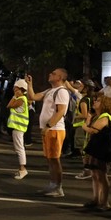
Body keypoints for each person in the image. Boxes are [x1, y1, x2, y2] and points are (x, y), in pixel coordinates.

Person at [25, 68, 69, 197]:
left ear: (60, 77)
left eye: (54, 74)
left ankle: (58, 187)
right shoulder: (50, 90)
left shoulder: (61, 92)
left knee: (55, 159)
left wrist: (49, 125)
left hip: (55, 129)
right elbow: (32, 97)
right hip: (49, 129)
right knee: (50, 159)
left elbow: (60, 111)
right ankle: (52, 184)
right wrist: (29, 85)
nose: (50, 74)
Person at [81, 95, 111, 212]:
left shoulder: (105, 117)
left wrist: (85, 125)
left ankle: (105, 202)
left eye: (98, 101)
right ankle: (96, 199)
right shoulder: (97, 116)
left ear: (104, 104)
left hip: (103, 150)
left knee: (102, 175)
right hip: (96, 149)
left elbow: (93, 130)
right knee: (95, 175)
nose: (95, 102)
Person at [6, 79, 30, 180]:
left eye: (15, 88)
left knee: (20, 148)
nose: (13, 89)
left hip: (19, 127)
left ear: (20, 89)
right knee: (19, 148)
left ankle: (22, 169)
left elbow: (9, 105)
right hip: (18, 127)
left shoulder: (21, 99)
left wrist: (14, 96)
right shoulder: (22, 98)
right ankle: (21, 168)